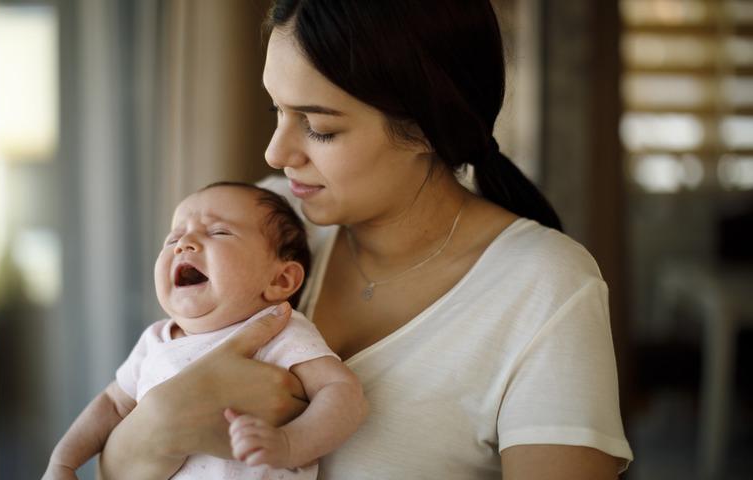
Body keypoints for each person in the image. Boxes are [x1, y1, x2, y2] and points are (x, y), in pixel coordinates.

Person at [99, 1, 634, 478]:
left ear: (425, 128)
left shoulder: (545, 287)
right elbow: (117, 466)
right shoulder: (262, 226)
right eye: (277, 112)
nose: (275, 153)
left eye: (319, 127)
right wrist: (165, 420)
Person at [44, 183, 367, 479]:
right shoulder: (156, 340)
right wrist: (64, 461)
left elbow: (342, 392)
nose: (184, 243)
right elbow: (112, 406)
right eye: (173, 238)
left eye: (218, 232)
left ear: (280, 280)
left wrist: (289, 442)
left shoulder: (279, 330)